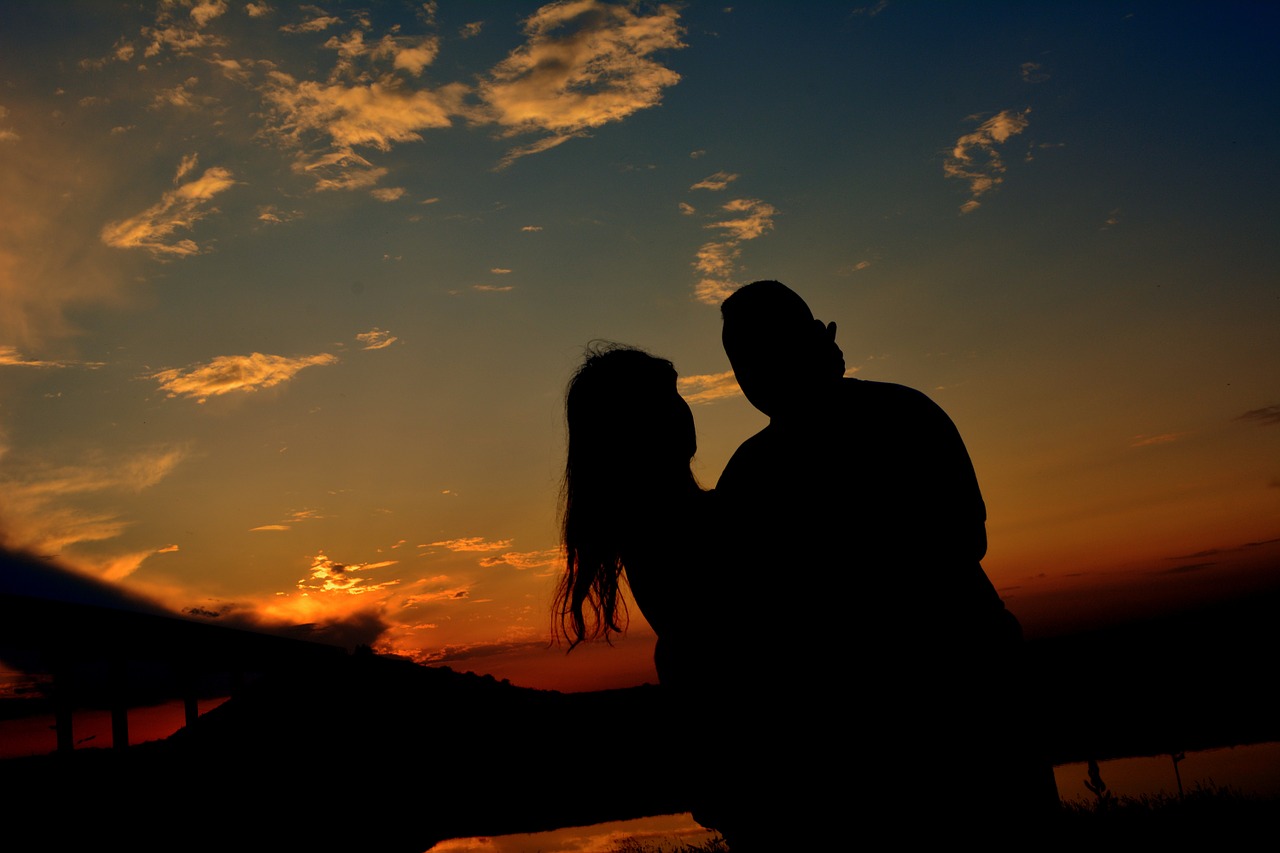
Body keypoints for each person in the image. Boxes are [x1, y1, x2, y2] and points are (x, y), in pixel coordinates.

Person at [716, 280, 1059, 836]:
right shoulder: (753, 474)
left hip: (960, 708)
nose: (750, 376)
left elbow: (963, 537)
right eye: (741, 362)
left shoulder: (892, 419)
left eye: (756, 356)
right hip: (886, 735)